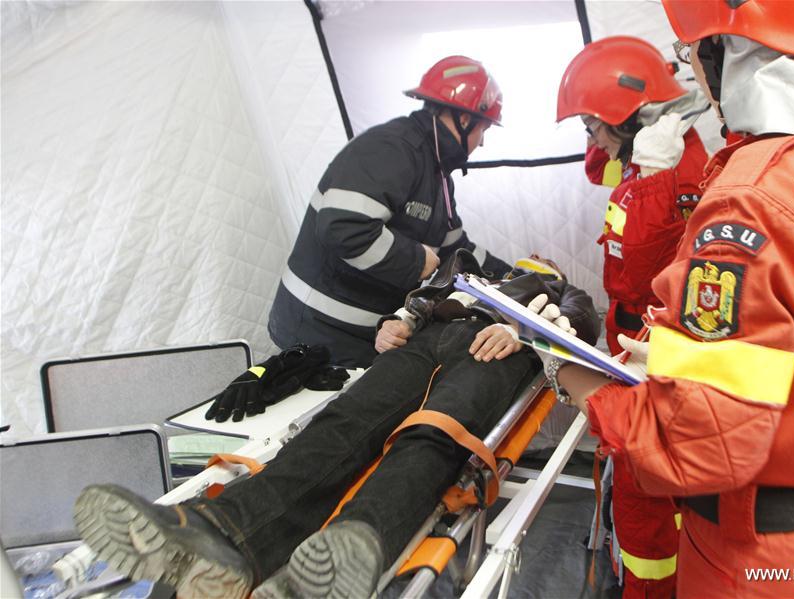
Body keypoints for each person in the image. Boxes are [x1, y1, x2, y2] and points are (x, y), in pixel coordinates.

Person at [549, 1, 794, 597]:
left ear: (727, 52)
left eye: (693, 51)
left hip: (762, 562)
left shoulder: (755, 194)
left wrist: (569, 377)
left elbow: (695, 446)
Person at [73, 250, 601, 599]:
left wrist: (527, 335)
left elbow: (583, 323)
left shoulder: (558, 290)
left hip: (495, 352)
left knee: (433, 433)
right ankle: (221, 532)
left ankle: (353, 547)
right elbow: (419, 301)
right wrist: (400, 322)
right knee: (343, 424)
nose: (531, 263)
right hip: (426, 342)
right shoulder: (467, 273)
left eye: (540, 263)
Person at [554, 35, 710, 598]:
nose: (591, 141)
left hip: (653, 343)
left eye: (593, 125)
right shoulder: (643, 150)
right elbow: (600, 167)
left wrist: (652, 180)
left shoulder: (674, 168)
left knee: (647, 495)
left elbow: (641, 274)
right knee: (628, 477)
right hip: (630, 331)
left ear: (628, 119)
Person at [267, 55, 512, 370]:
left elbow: (456, 250)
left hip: (365, 334)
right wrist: (415, 261)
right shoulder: (392, 148)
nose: (482, 143)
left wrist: (513, 276)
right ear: (465, 120)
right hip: (315, 330)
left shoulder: (437, 174)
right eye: (484, 130)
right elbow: (343, 227)